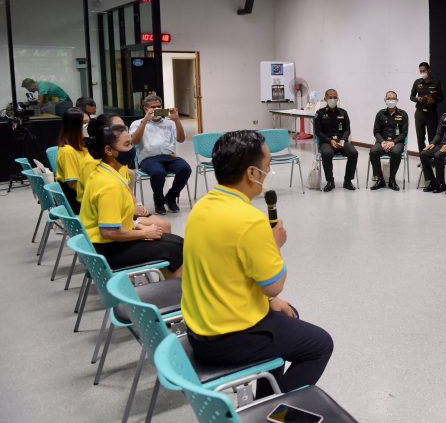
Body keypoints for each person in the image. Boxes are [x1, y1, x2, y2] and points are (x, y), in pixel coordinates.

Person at [181, 130, 333, 398]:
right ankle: (272, 411)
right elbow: (273, 286)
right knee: (320, 344)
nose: (268, 171)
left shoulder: (202, 206)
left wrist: (270, 302)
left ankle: (266, 393)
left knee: (287, 314)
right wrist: (275, 246)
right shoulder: (250, 220)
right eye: (267, 165)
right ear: (252, 173)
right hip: (227, 338)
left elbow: (225, 270)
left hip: (198, 328)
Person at [80, 116, 183, 277]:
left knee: (176, 242)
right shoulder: (109, 185)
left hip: (108, 243)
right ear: (109, 150)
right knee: (174, 249)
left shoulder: (108, 171)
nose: (132, 149)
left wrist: (137, 226)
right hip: (107, 250)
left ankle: (168, 287)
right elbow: (109, 232)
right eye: (127, 145)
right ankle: (174, 291)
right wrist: (144, 233)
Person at [79, 113, 171, 234]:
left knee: (165, 226)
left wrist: (137, 204)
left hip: (121, 210)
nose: (122, 130)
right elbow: (100, 204)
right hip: (108, 218)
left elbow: (125, 188)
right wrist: (137, 225)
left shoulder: (117, 161)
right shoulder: (95, 165)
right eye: (117, 127)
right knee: (163, 229)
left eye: (123, 127)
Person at [129, 95, 192, 215]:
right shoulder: (137, 123)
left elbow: (181, 139)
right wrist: (145, 121)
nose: (157, 109)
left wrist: (176, 120)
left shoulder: (169, 123)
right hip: (148, 158)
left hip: (169, 156)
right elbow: (134, 141)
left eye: (159, 106)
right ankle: (159, 201)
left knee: (185, 169)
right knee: (158, 173)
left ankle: (171, 197)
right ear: (146, 109)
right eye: (153, 107)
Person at [313, 89, 358, 192]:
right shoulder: (319, 113)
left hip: (341, 141)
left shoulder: (343, 112)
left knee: (353, 152)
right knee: (327, 153)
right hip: (326, 142)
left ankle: (347, 181)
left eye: (335, 97)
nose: (333, 99)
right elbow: (318, 131)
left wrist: (343, 140)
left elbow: (347, 129)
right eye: (330, 97)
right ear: (325, 99)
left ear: (337, 99)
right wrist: (330, 140)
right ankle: (330, 181)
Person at [370, 91, 409, 191]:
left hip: (397, 142)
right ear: (385, 100)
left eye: (393, 98)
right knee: (373, 152)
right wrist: (382, 142)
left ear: (397, 100)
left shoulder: (403, 114)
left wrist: (393, 142)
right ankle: (380, 179)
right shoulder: (380, 114)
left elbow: (404, 133)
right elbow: (376, 131)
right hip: (382, 141)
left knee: (396, 152)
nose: (391, 100)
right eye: (388, 98)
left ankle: (392, 179)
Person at [55, 107, 90, 214]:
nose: (88, 126)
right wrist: (94, 193)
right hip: (77, 201)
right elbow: (73, 184)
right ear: (75, 127)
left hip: (86, 192)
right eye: (84, 123)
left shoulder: (83, 146)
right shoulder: (67, 151)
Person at [410, 62, 443, 149]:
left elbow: (441, 98)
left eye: (424, 71)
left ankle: (430, 156)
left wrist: (434, 100)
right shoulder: (417, 82)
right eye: (420, 71)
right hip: (419, 113)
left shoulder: (436, 82)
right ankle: (422, 157)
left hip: (431, 113)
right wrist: (417, 99)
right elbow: (411, 97)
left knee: (432, 138)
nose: (422, 73)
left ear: (429, 70)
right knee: (420, 138)